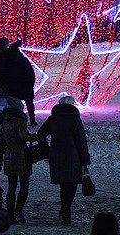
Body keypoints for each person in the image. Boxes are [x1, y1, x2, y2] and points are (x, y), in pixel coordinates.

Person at [37, 96, 91, 226]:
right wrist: (85, 160)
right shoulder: (74, 119)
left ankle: (64, 211)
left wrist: (47, 149)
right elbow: (81, 141)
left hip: (57, 156)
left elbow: (41, 134)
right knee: (71, 184)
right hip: (73, 156)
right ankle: (65, 211)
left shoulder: (53, 119)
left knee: (63, 184)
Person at [0, 97, 38, 224]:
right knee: (24, 186)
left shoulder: (5, 122)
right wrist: (37, 137)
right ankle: (18, 211)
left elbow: (1, 145)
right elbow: (24, 137)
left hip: (9, 157)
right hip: (22, 156)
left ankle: (10, 214)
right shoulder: (20, 121)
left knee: (11, 187)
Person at [3, 40, 37, 125]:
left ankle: (18, 119)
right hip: (25, 86)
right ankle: (32, 119)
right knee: (29, 103)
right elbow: (31, 73)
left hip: (16, 86)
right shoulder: (23, 61)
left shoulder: (9, 62)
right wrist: (30, 84)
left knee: (15, 103)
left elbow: (7, 74)